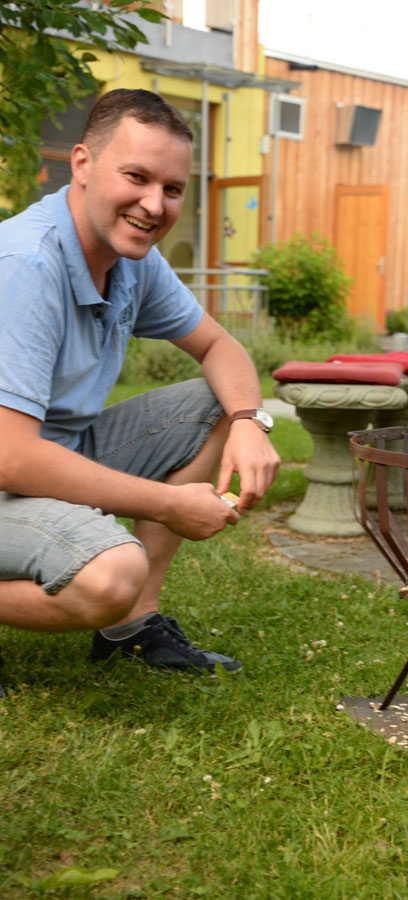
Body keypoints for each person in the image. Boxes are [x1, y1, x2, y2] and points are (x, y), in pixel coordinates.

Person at [0, 89, 280, 696]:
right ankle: (121, 601)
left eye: (173, 189)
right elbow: (13, 457)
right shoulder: (26, 265)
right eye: (136, 177)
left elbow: (220, 349)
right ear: (82, 164)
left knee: (219, 405)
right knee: (110, 574)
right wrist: (166, 503)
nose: (153, 205)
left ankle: (132, 628)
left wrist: (251, 421)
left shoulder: (133, 259)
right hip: (9, 470)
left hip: (54, 456)